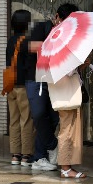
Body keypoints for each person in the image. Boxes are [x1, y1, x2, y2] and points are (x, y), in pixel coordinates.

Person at [48, 3, 87, 179]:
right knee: (67, 128)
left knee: (66, 127)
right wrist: (81, 61)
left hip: (59, 87)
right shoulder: (63, 38)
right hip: (66, 88)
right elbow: (66, 68)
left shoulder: (54, 36)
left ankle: (66, 166)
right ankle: (65, 167)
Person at [21, 18, 59, 171]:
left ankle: (40, 156)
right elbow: (29, 46)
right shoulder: (42, 27)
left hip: (53, 79)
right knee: (38, 114)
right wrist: (53, 45)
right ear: (57, 17)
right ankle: (52, 146)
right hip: (35, 78)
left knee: (53, 118)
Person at [7, 9, 34, 166]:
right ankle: (26, 155)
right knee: (26, 120)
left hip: (10, 85)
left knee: (14, 120)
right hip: (23, 85)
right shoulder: (26, 41)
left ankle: (15, 155)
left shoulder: (10, 40)